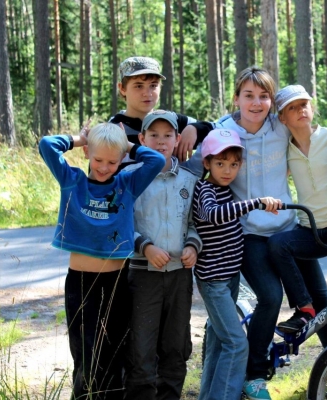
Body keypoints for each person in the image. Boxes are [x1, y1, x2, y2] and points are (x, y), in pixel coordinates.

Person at [181, 66, 319, 400]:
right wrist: (187, 126)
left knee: (321, 302)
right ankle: (254, 374)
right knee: (271, 296)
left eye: (263, 96)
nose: (256, 103)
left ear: (272, 101)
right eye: (248, 96)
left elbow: (309, 130)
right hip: (248, 235)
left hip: (287, 228)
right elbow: (192, 169)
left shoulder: (280, 126)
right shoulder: (224, 132)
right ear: (236, 99)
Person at [38, 122, 165, 400]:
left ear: (121, 160)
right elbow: (47, 145)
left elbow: (156, 160)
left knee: (113, 351)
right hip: (80, 285)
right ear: (87, 155)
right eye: (98, 159)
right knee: (85, 353)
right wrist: (80, 139)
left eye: (112, 161)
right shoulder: (73, 182)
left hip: (116, 283)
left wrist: (127, 144)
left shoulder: (127, 185)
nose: (105, 167)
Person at [193, 128, 281, 400]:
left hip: (229, 279)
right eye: (220, 163)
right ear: (206, 163)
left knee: (220, 343)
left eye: (233, 164)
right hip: (214, 282)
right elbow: (211, 215)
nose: (227, 170)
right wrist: (254, 203)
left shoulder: (226, 190)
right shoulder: (205, 190)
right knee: (237, 343)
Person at [267, 85, 327, 339]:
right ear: (282, 118)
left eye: (303, 105)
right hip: (311, 230)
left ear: (312, 107)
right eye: (292, 108)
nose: (300, 111)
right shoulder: (285, 151)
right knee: (278, 245)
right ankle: (304, 307)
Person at [122, 110, 201, 399]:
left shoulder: (189, 179)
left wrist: (192, 246)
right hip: (143, 277)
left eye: (168, 135)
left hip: (180, 276)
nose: (161, 141)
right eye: (153, 135)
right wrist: (145, 246)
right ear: (141, 139)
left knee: (175, 348)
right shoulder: (129, 177)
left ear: (178, 139)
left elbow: (194, 223)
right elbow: (120, 225)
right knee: (141, 350)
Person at [109, 56, 211, 160]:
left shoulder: (173, 121)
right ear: (122, 88)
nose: (147, 93)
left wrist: (194, 128)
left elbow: (218, 132)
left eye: (153, 85)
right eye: (139, 86)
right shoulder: (112, 130)